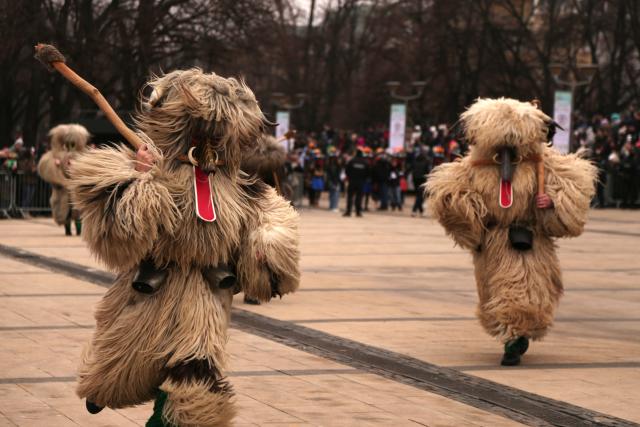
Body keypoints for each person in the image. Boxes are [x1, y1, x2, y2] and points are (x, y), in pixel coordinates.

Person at [67, 69, 300, 426]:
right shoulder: (155, 167)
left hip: (203, 297)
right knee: (125, 366)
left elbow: (270, 211)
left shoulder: (236, 183)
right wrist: (141, 179)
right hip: (152, 291)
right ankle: (106, 386)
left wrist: (267, 243)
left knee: (196, 379)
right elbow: (119, 233)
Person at [427, 98, 596, 366]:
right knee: (493, 295)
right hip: (492, 242)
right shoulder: (475, 163)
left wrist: (552, 202)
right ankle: (510, 333)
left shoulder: (543, 161)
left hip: (526, 239)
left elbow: (572, 190)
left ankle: (515, 336)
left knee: (521, 292)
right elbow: (449, 194)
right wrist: (461, 206)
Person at [343, 149, 370, 217]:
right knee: (359, 197)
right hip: (360, 182)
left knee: (350, 197)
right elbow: (368, 173)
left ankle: (348, 212)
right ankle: (358, 212)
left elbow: (346, 171)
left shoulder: (351, 161)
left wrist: (350, 177)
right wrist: (363, 179)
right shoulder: (365, 162)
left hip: (352, 181)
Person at [411, 149, 430, 216]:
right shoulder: (426, 162)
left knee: (418, 196)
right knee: (420, 196)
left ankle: (421, 211)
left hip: (415, 180)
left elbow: (413, 171)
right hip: (422, 180)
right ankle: (414, 210)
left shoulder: (415, 162)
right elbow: (428, 172)